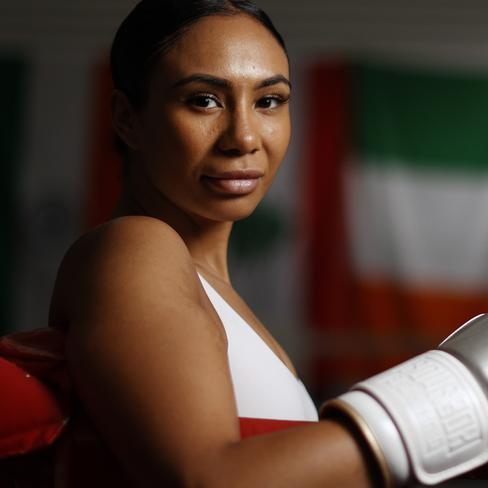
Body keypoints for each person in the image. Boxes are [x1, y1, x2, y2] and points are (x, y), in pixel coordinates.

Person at [48, 0, 380, 486]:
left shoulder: (206, 286)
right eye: (204, 99)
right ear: (126, 118)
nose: (243, 137)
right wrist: (449, 408)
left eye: (269, 101)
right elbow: (206, 477)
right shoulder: (136, 246)